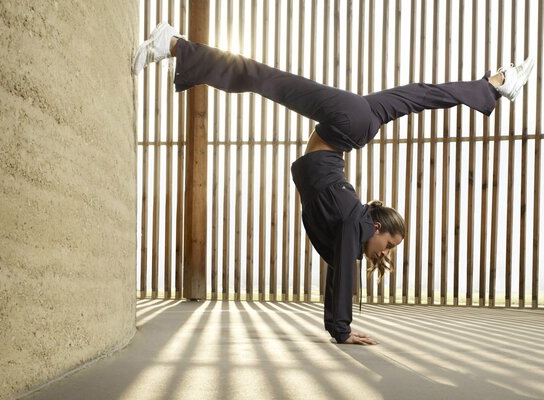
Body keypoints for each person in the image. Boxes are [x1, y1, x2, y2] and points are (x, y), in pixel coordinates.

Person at [133, 22, 535, 345]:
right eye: (390, 244)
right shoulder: (355, 221)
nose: (386, 252)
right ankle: (176, 45)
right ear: (377, 227)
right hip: (347, 123)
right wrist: (340, 330)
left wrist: (363, 263)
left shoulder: (352, 223)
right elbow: (342, 270)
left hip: (353, 123)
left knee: (417, 96)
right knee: (262, 77)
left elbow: (343, 259)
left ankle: (497, 83)